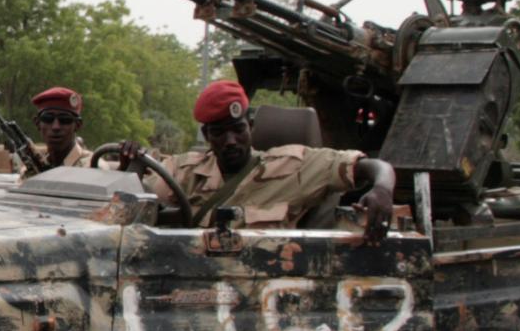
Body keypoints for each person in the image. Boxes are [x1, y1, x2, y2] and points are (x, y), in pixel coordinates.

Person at [120, 80, 395, 245]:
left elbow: (370, 166)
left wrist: (382, 189)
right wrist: (131, 167)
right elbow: (131, 202)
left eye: (238, 129)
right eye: (219, 133)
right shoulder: (184, 170)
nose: (231, 141)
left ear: (250, 126)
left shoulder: (293, 166)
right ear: (207, 135)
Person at [31, 87, 96, 169]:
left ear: (78, 125)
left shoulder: (93, 167)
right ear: (37, 123)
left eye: (65, 119)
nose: (55, 127)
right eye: (48, 118)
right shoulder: (33, 168)